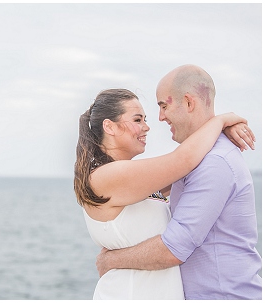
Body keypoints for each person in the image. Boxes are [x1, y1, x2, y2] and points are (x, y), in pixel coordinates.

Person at [94, 65, 262, 300]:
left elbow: (174, 249)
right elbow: (155, 189)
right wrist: (223, 123)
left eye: (164, 105)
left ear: (189, 103)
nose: (160, 117)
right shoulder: (198, 158)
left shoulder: (214, 162)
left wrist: (111, 260)